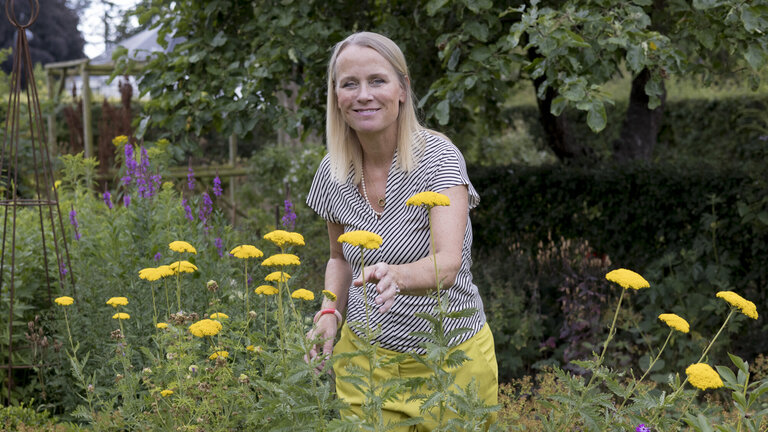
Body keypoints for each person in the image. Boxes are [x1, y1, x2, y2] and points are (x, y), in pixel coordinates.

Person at [305, 31, 497, 430]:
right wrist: (328, 312)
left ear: (403, 89)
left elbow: (447, 264)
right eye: (349, 84)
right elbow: (339, 259)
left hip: (452, 364)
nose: (363, 95)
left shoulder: (438, 158)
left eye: (377, 81)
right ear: (335, 96)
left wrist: (398, 274)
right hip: (366, 364)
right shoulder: (332, 170)